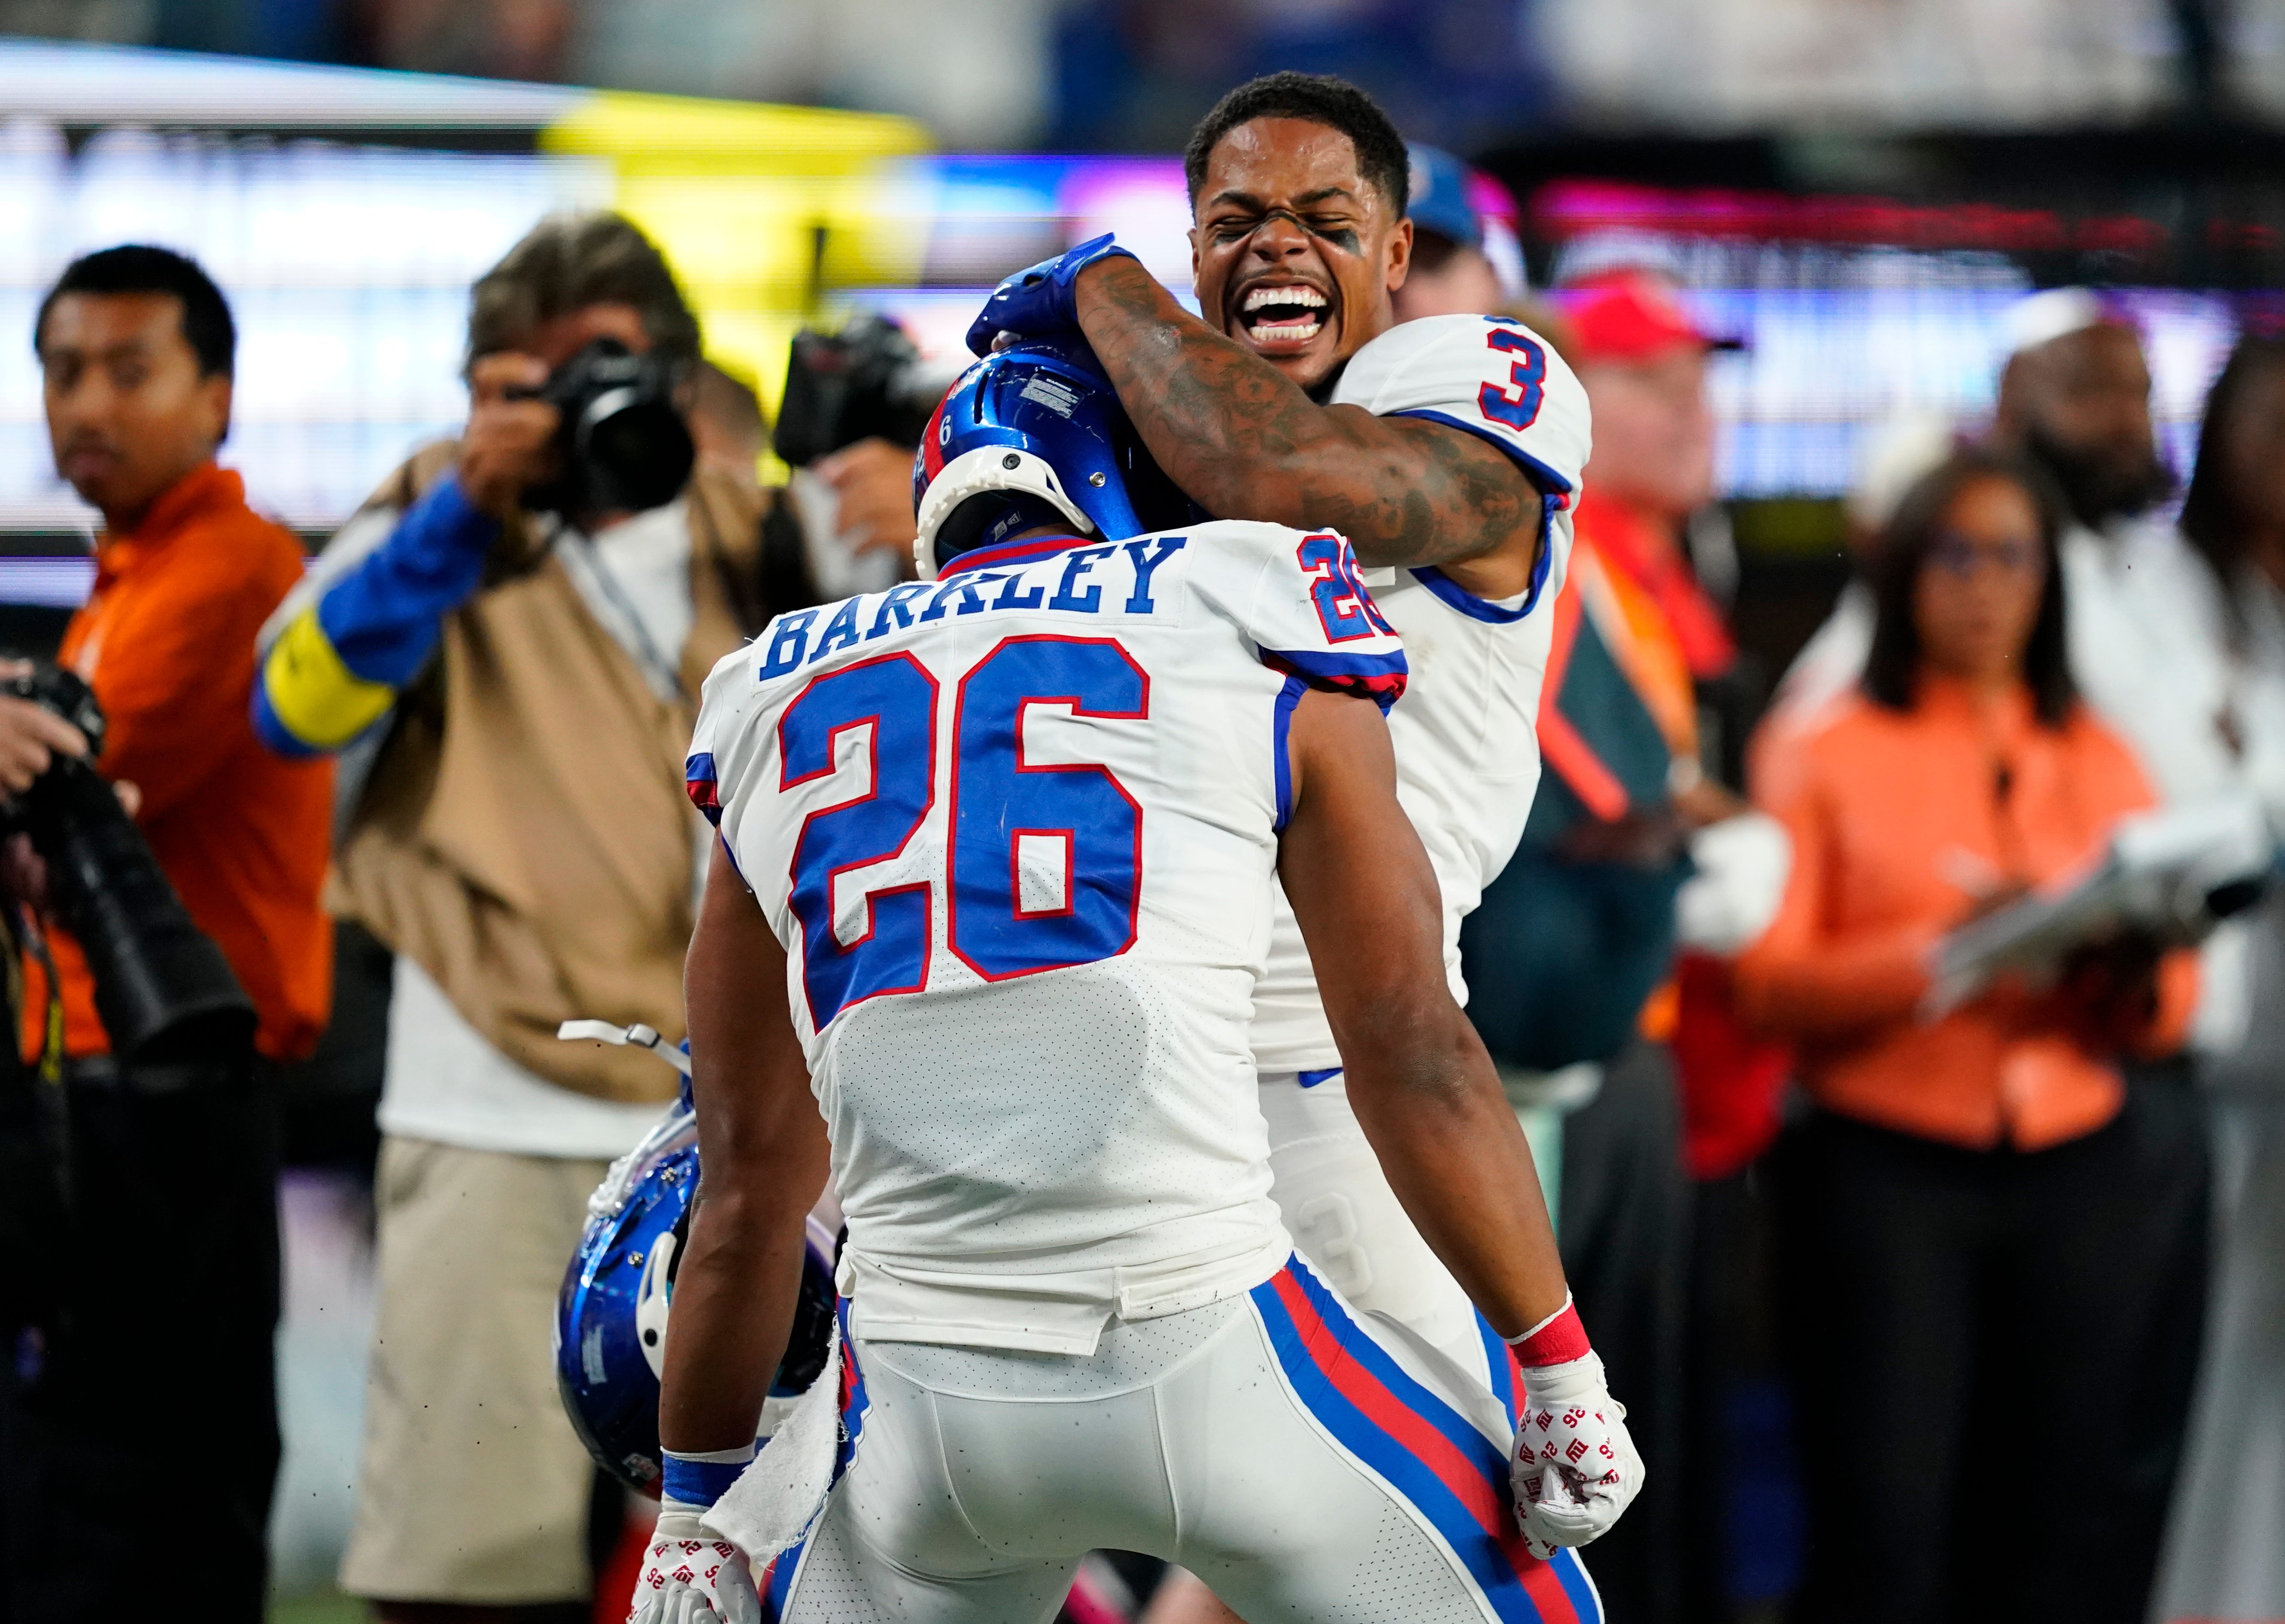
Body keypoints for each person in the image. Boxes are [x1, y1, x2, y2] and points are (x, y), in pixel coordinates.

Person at [639, 336, 1638, 1624]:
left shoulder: (767, 688)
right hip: (1207, 1348)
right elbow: (1410, 1043)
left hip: (924, 1423)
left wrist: (690, 1505)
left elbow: (746, 1190)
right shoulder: (1246, 598)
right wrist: (1556, 1372)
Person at [250, 210, 783, 1621]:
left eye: (599, 372)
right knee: (463, 1581)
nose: (571, 412)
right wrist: (455, 522)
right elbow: (290, 707)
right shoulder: (433, 509)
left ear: (673, 376)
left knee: (770, 1572)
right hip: (486, 1107)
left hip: (740, 1129)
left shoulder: (764, 530)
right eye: (525, 382)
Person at [1735, 446, 2202, 1624]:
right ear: (1901, 574)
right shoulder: (1823, 747)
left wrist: (2118, 962)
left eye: (2011, 557)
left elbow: (2174, 1004)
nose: (1983, 584)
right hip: (1888, 1171)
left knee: (2062, 1508)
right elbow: (1764, 983)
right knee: (1883, 1520)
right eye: (1954, 554)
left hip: (2077, 1159)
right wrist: (1947, 953)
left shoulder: (2092, 751)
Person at [2, 244, 335, 1621]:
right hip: (112, 1100)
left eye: (130, 371)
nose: (89, 403)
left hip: (169, 1101)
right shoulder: (130, 574)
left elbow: (56, 778)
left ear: (218, 399)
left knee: (150, 1519)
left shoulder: (227, 567)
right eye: (64, 371)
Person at [2148, 334, 2285, 1624]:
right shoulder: (2161, 590)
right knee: (2206, 1386)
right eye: (2263, 423)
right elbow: (2173, 806)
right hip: (2209, 1056)